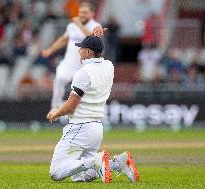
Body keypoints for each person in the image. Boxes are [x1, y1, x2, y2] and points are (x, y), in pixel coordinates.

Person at [46, 34, 139, 183]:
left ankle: (95, 160)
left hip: (79, 128)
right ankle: (118, 163)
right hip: (96, 128)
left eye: (81, 49)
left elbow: (70, 106)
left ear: (89, 52)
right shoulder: (109, 66)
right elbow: (99, 58)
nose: (79, 52)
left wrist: (56, 113)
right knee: (79, 177)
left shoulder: (83, 73)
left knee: (56, 172)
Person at [42, 2, 101, 109]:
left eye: (85, 12)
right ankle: (56, 106)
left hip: (85, 66)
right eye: (80, 12)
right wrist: (50, 50)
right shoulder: (72, 26)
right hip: (69, 63)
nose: (81, 15)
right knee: (59, 78)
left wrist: (79, 24)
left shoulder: (96, 26)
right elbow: (63, 39)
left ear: (92, 14)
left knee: (86, 92)